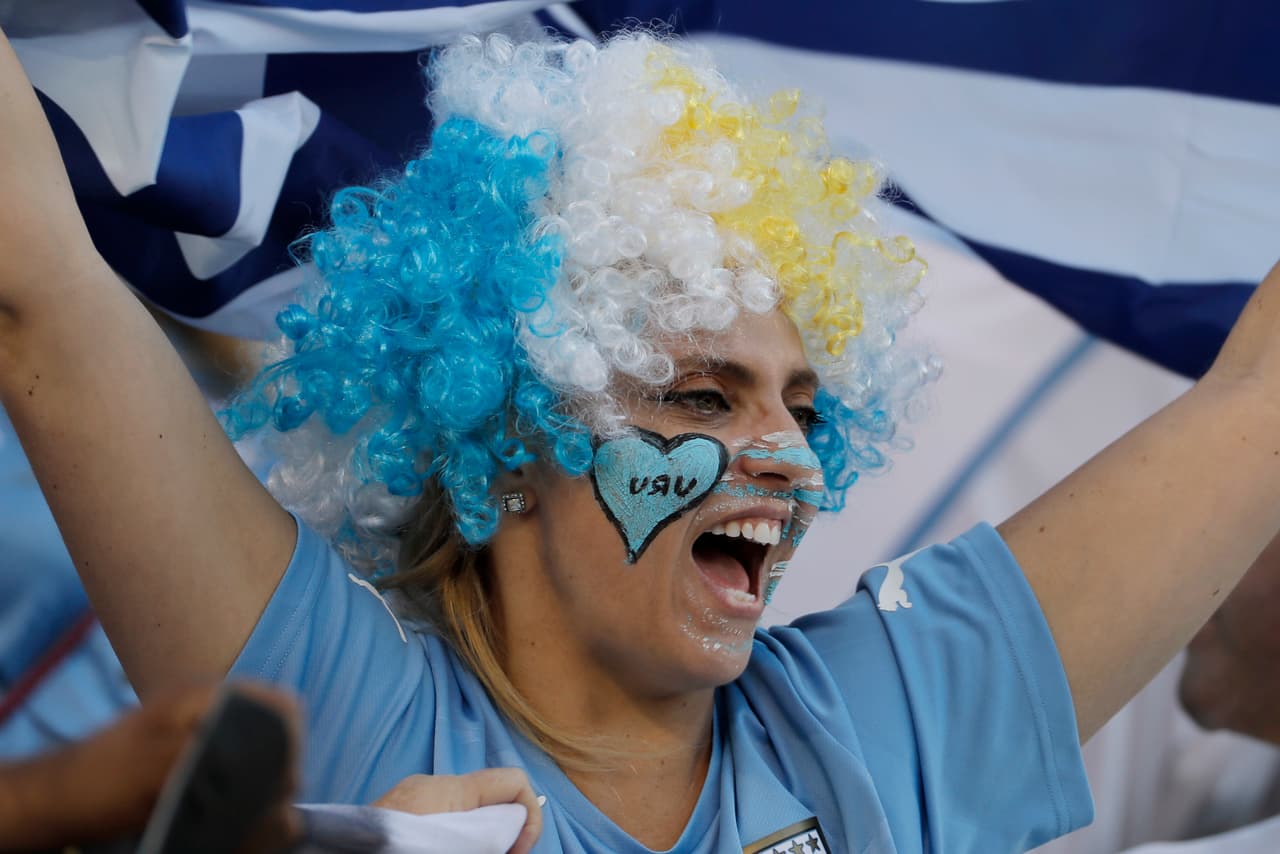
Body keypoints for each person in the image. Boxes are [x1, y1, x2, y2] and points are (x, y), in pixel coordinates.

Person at [5, 23, 1280, 853]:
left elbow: (1257, 407)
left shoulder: (881, 723)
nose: (787, 454)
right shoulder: (350, 713)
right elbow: (38, 294)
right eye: (701, 398)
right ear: (503, 442)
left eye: (805, 403)